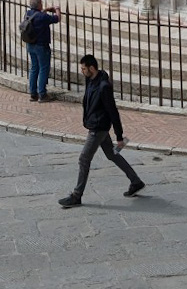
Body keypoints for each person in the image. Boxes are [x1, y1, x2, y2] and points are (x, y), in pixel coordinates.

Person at [58, 54, 145, 208]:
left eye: (84, 69)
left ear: (92, 68)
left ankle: (76, 195)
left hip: (98, 129)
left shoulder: (104, 86)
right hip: (95, 125)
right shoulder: (90, 80)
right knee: (112, 154)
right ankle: (136, 181)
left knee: (84, 159)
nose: (82, 72)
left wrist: (119, 135)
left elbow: (113, 112)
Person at [23, 0, 61, 102]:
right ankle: (42, 94)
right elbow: (57, 18)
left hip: (30, 45)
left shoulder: (27, 13)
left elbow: (37, 14)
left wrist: (46, 10)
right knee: (44, 69)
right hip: (41, 46)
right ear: (39, 4)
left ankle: (33, 93)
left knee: (34, 68)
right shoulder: (43, 17)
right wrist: (57, 9)